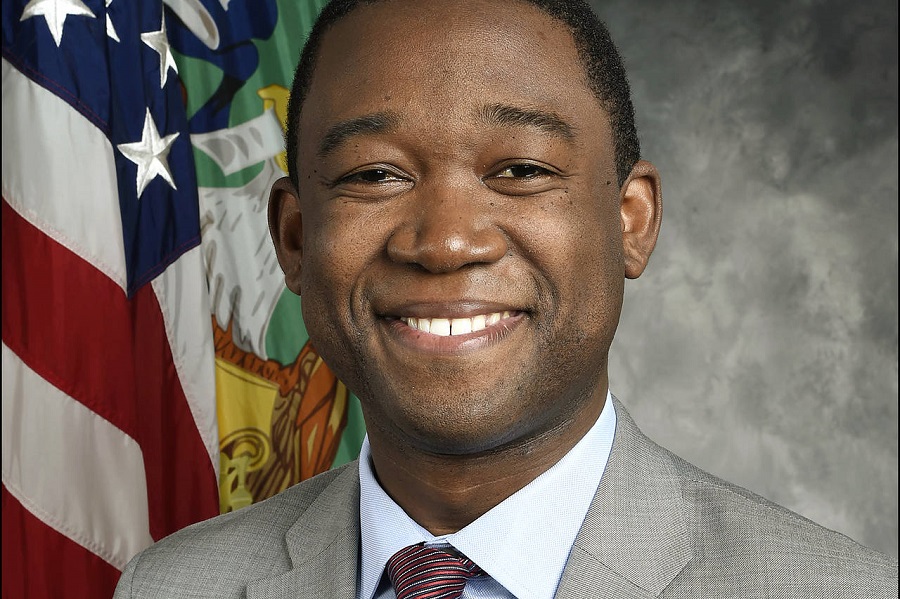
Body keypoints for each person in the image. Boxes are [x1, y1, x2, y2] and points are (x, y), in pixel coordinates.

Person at [114, 0, 898, 597]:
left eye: (521, 170)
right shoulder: (171, 587)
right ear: (293, 238)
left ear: (631, 222)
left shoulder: (837, 590)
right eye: (375, 174)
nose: (446, 241)